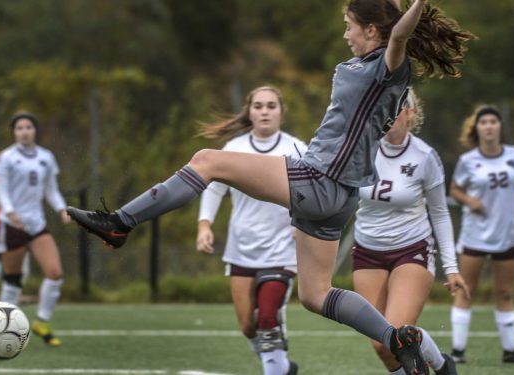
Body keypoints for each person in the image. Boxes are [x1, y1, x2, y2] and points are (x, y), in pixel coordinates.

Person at [67, 1, 474, 374]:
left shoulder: (386, 66)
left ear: (372, 30)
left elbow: (399, 35)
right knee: (316, 295)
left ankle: (119, 223)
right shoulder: (367, 65)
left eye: (349, 26)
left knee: (207, 161)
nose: (345, 33)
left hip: (320, 181)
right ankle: (397, 340)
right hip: (339, 196)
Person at [351, 88, 467, 375]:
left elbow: (440, 213)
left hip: (411, 249)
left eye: (396, 107)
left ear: (410, 113)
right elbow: (340, 196)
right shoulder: (361, 149)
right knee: (381, 345)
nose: (388, 114)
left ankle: (441, 365)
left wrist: (451, 267)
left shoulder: (425, 156)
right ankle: (441, 364)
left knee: (396, 333)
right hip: (367, 251)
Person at [196, 86, 305, 375]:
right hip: (242, 249)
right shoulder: (234, 148)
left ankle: (275, 370)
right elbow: (214, 188)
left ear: (282, 111)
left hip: (282, 250)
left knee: (268, 317)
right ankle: (283, 368)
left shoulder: (296, 149)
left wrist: (303, 224)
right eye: (258, 106)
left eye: (271, 106)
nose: (265, 111)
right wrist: (204, 225)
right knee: (248, 326)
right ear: (249, 111)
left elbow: (313, 194)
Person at [449, 105, 514, 365]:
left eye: (493, 121)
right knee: (467, 289)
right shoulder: (468, 161)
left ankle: (510, 351)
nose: (488, 125)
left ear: (499, 127)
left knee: (505, 292)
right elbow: (455, 190)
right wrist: (469, 201)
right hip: (475, 235)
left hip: (506, 234)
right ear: (477, 128)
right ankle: (458, 351)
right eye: (483, 121)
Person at [0, 111, 70, 347]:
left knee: (55, 273)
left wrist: (61, 209)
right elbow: (2, 190)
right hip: (13, 224)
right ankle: (2, 330)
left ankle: (41, 322)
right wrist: (9, 211)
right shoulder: (6, 158)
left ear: (35, 131)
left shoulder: (46, 157)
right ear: (14, 133)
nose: (24, 131)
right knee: (12, 281)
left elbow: (51, 189)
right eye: (19, 128)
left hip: (37, 224)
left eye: (28, 127)